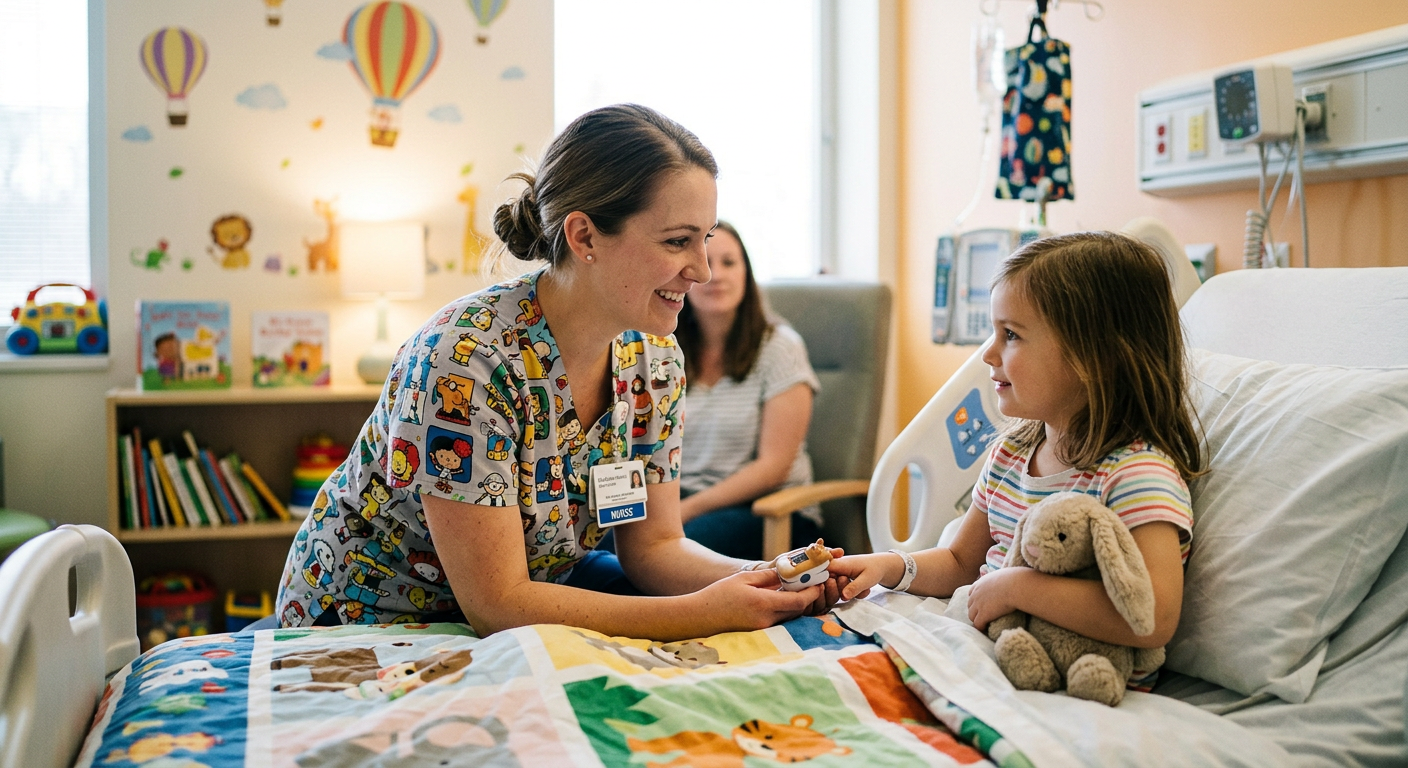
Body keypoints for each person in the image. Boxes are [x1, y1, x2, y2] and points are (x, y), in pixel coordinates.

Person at [274, 104, 843, 640]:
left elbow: (657, 548)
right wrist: (697, 613)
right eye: (678, 242)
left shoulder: (656, 358)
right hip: (376, 617)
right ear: (584, 236)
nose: (699, 270)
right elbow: (498, 605)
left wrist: (768, 576)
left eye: (707, 240)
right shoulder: (466, 360)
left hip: (533, 598)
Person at [831, 231, 1202, 669]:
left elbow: (1153, 618)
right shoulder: (1011, 455)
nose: (988, 353)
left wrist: (1015, 588)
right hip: (984, 647)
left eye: (1011, 334)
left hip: (1075, 678)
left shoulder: (1135, 476)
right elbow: (959, 562)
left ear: (1091, 357)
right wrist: (889, 567)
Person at [673, 221, 824, 559]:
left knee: (664, 555)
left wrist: (685, 510)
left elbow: (773, 468)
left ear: (747, 272)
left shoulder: (780, 348)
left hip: (770, 513)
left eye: (730, 262)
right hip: (683, 501)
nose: (717, 275)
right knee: (603, 548)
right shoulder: (667, 351)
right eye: (707, 262)